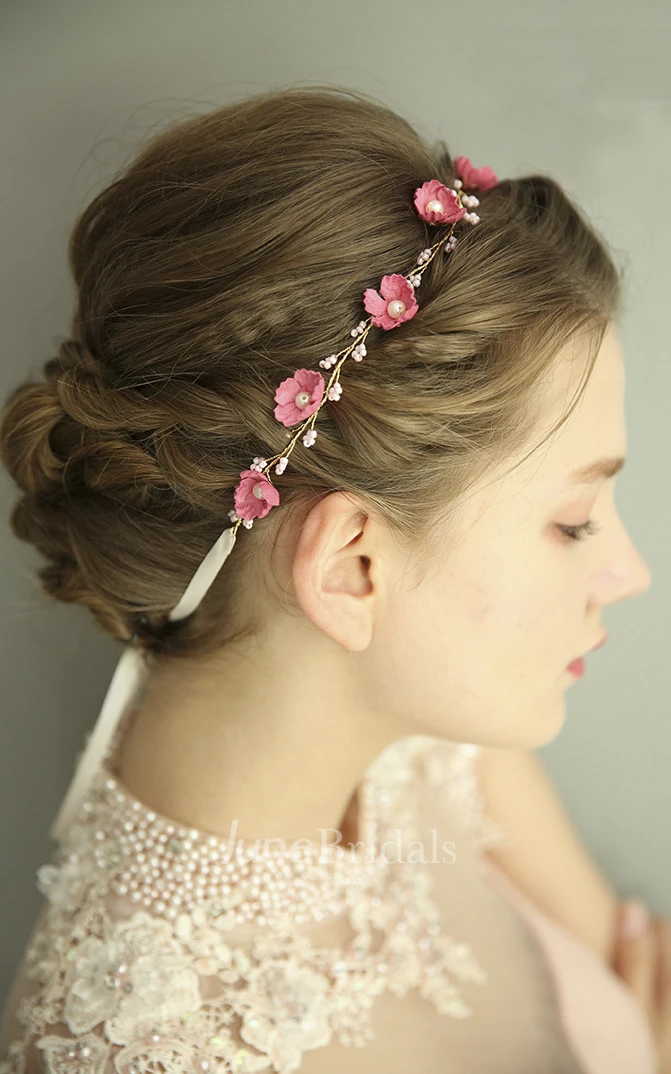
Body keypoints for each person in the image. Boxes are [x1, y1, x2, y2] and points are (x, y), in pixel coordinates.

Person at [0, 84, 667, 1073]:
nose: (630, 574)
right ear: (352, 569)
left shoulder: (429, 727)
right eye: (569, 522)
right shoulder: (145, 1046)